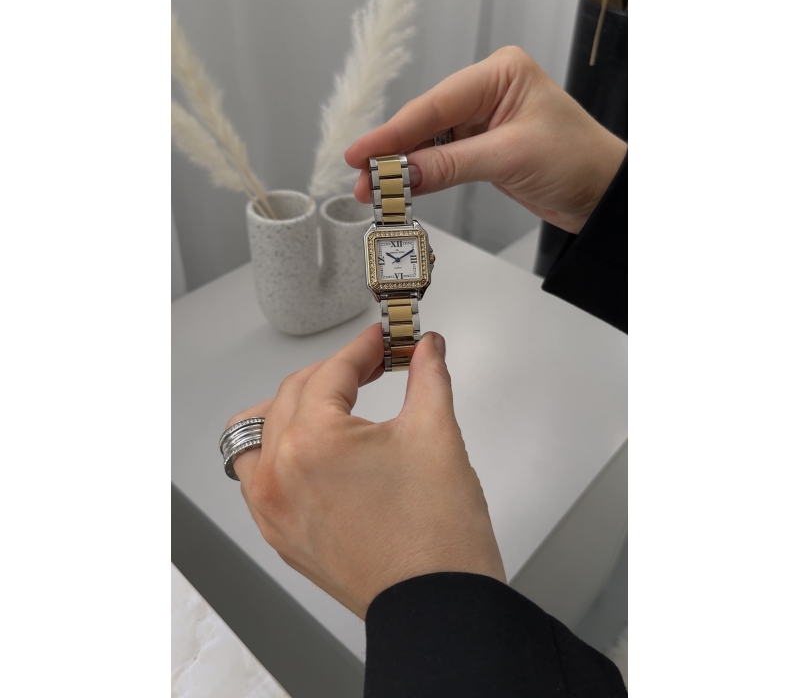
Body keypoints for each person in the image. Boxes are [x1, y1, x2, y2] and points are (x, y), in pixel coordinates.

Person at [228, 46, 628, 696]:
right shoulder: (399, 252)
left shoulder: (398, 254)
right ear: (395, 261)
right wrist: (612, 195)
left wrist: (427, 591)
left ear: (417, 261)